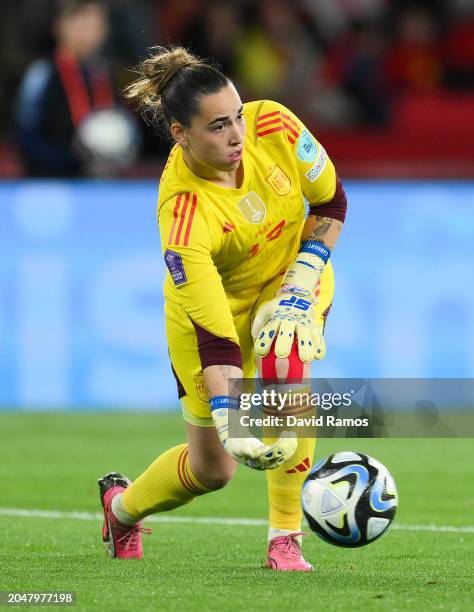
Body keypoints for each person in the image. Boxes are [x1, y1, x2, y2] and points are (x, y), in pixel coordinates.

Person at [98, 46, 347, 571]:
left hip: (289, 275)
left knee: (287, 357)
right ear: (180, 134)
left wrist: (303, 278)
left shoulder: (275, 125)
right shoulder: (184, 214)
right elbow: (217, 342)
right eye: (218, 126)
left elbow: (330, 204)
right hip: (213, 322)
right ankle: (121, 510)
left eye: (237, 115)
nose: (237, 135)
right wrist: (233, 424)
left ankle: (285, 540)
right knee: (214, 470)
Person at [15, 0, 116, 177]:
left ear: (104, 30)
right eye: (77, 21)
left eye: (92, 23)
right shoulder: (42, 74)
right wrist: (75, 158)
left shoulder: (105, 75)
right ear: (59, 27)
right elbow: (25, 140)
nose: (84, 31)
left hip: (102, 187)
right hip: (50, 187)